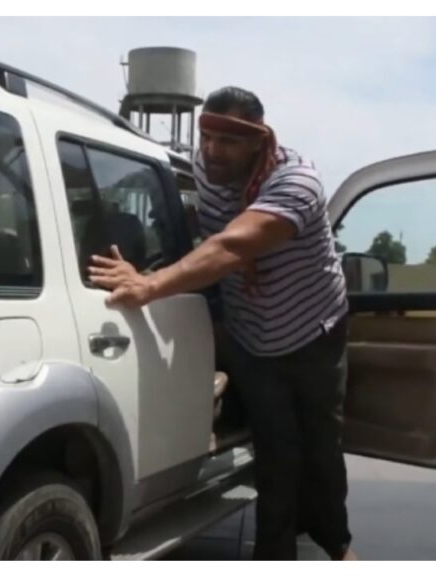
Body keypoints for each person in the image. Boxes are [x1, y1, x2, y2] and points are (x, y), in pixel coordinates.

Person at [88, 86, 357, 561]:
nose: (211, 151)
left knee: (321, 453)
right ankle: (275, 556)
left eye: (228, 141)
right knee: (277, 454)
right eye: (206, 136)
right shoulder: (204, 171)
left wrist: (150, 286)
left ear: (258, 140)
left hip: (313, 333)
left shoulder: (297, 181)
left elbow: (232, 247)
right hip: (252, 338)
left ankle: (337, 544)